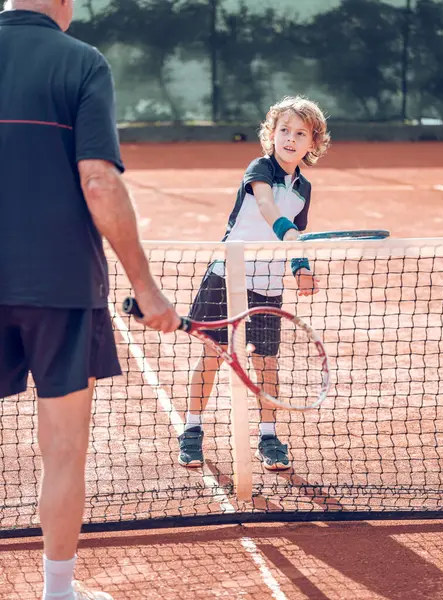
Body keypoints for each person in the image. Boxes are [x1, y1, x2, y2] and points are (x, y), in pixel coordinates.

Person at [0, 2, 180, 599]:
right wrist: (145, 286)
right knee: (63, 449)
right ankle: (58, 593)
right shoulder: (81, 62)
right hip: (62, 288)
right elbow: (98, 179)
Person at [178, 96, 330, 471]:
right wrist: (288, 234)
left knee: (266, 364)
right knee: (212, 357)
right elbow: (266, 207)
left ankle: (268, 435)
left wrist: (300, 267)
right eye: (284, 131)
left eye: (300, 134)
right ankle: (192, 430)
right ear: (271, 134)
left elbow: (294, 240)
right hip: (226, 275)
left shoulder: (303, 189)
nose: (290, 139)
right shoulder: (259, 168)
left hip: (268, 283)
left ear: (313, 143)